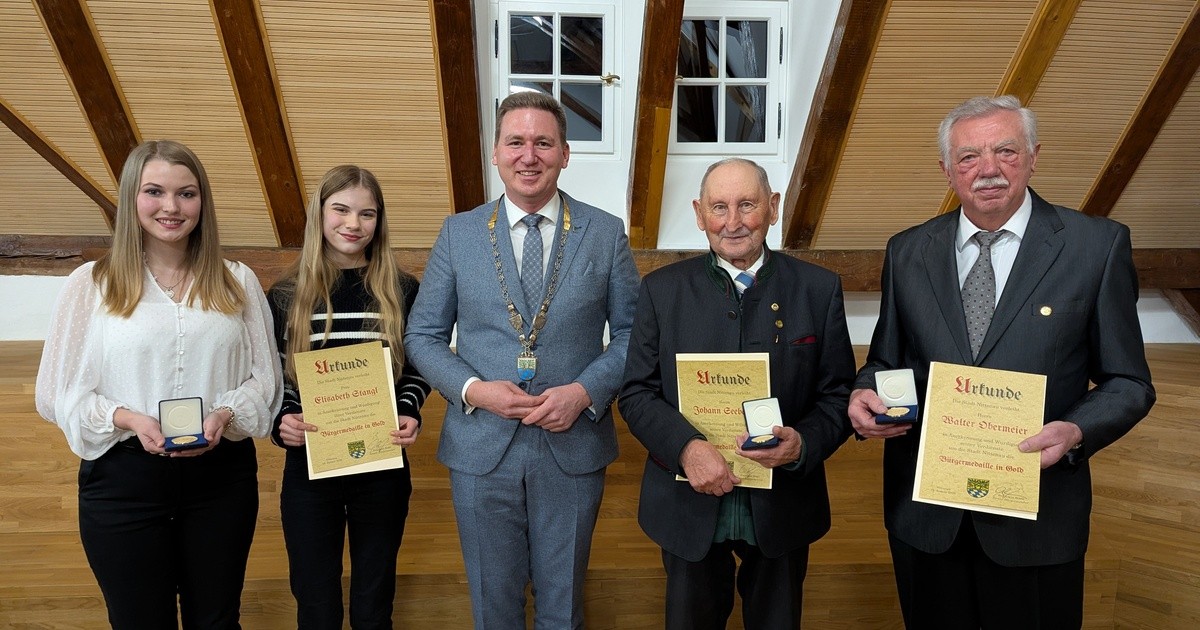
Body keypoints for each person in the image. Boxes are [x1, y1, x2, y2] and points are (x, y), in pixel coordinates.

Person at [848, 95, 1156, 628]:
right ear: (947, 169)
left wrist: (1076, 432)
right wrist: (863, 393)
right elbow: (886, 359)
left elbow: (1128, 382)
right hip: (927, 513)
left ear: (1034, 156)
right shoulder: (907, 251)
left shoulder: (1096, 246)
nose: (988, 169)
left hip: (1037, 516)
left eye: (1005, 151)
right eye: (969, 157)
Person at [403, 91, 640, 628]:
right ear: (495, 152)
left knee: (564, 608)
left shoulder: (604, 234)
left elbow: (632, 335)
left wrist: (584, 392)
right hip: (481, 449)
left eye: (543, 142)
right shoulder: (458, 234)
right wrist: (473, 390)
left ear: (564, 153)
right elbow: (422, 335)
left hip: (573, 445)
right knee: (494, 608)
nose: (528, 155)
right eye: (515, 141)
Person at [34, 139, 283, 628]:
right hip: (124, 481)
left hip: (221, 480)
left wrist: (225, 414)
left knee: (216, 620)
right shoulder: (92, 283)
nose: (171, 207)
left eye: (186, 194)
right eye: (155, 191)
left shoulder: (237, 280)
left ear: (202, 203)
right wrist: (127, 417)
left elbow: (265, 380)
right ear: (132, 199)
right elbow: (56, 393)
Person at [618, 158, 855, 629]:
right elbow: (637, 393)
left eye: (747, 205)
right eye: (719, 207)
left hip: (783, 504)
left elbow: (838, 395)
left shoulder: (818, 288)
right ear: (699, 213)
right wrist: (686, 448)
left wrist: (802, 443)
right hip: (688, 504)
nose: (733, 222)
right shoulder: (661, 291)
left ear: (772, 207)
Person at [267, 165, 430, 629]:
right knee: (315, 600)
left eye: (367, 213)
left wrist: (407, 409)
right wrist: (286, 420)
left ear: (380, 222)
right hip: (308, 469)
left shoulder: (401, 290)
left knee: (374, 599)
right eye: (340, 209)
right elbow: (274, 379)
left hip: (382, 465)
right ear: (319, 213)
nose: (353, 224)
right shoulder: (284, 294)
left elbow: (417, 368)